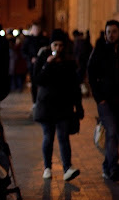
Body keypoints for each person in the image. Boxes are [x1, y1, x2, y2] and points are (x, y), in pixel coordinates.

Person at [87, 20, 119, 181]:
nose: (110, 35)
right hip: (105, 101)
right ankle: (114, 166)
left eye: (114, 32)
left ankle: (107, 166)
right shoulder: (100, 50)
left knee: (114, 135)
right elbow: (91, 74)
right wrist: (98, 97)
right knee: (112, 132)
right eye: (108, 32)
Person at [33, 29, 83, 181]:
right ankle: (47, 167)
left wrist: (79, 106)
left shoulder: (69, 61)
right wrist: (47, 65)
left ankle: (67, 168)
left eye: (61, 45)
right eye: (55, 45)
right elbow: (38, 80)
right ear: (51, 45)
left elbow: (75, 86)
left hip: (64, 105)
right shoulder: (43, 57)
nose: (58, 49)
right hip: (46, 105)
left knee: (63, 137)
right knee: (48, 136)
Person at [22, 23, 49, 105]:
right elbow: (23, 51)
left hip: (43, 65)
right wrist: (30, 58)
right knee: (34, 84)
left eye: (37, 29)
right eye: (34, 29)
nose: (36, 31)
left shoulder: (44, 39)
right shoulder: (28, 40)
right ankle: (35, 102)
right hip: (32, 66)